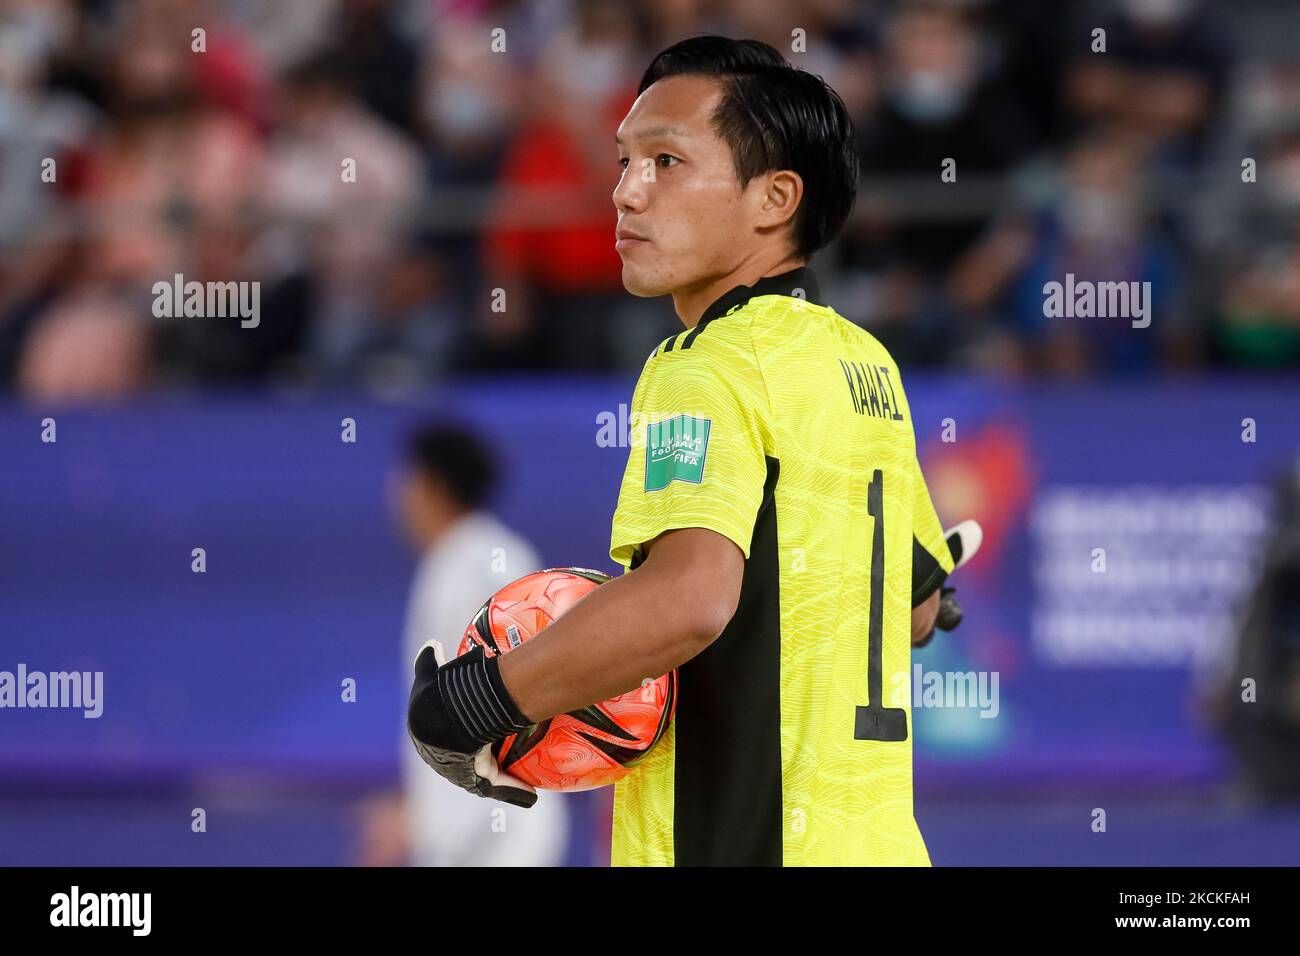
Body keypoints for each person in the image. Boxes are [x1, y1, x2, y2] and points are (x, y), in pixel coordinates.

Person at [407, 36, 965, 866]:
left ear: (775, 197)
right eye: (625, 162)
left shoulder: (704, 365)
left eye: (666, 161)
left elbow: (688, 600)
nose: (626, 192)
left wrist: (474, 702)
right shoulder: (862, 360)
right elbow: (921, 607)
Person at [360, 423, 569, 866]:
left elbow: (509, 680)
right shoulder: (451, 562)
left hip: (500, 829)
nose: (396, 493)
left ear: (431, 486)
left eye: (406, 477)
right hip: (468, 829)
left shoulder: (483, 558)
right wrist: (416, 813)